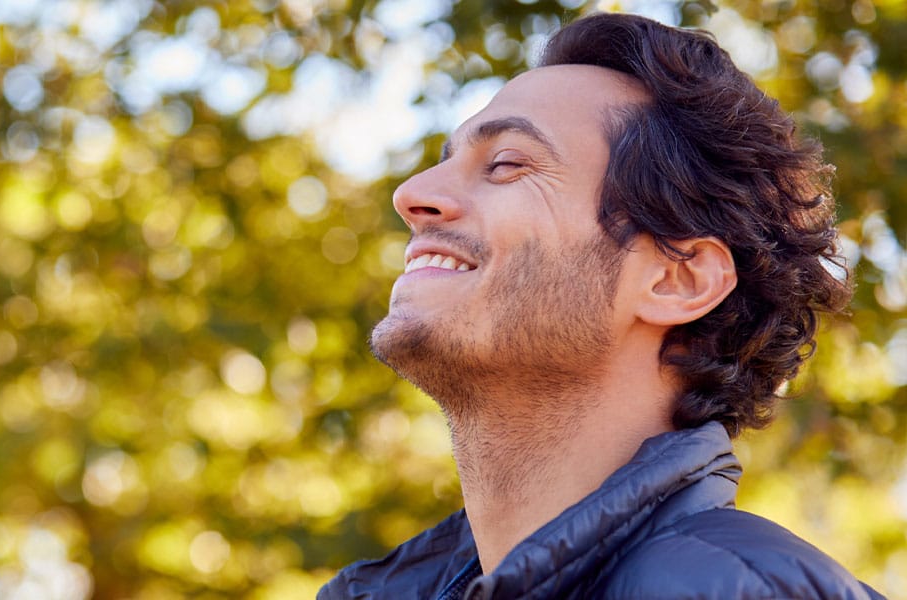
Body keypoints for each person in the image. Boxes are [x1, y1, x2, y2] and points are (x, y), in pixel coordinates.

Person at [318, 12, 885, 600]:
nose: (411, 194)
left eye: (506, 164)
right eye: (446, 160)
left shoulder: (742, 590)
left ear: (677, 279)